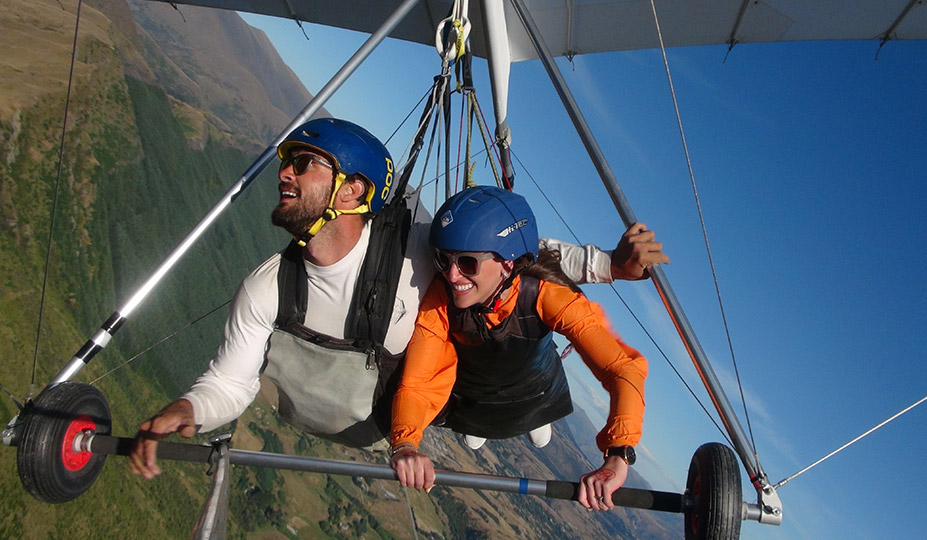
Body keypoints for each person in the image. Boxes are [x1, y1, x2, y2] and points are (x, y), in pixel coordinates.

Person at [129, 117, 667, 480]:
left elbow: (518, 250)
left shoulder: (416, 249)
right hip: (435, 397)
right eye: (286, 162)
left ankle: (519, 412)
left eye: (305, 163)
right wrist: (190, 408)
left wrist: (610, 266)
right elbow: (230, 380)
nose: (285, 173)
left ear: (353, 189)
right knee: (459, 384)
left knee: (513, 364)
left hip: (504, 377)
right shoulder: (270, 285)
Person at [389, 186, 648, 511]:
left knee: (539, 435)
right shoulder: (442, 296)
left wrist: (618, 454)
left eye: (467, 263)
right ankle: (486, 423)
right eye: (444, 258)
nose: (452, 275)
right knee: (474, 436)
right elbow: (419, 381)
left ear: (508, 265)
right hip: (475, 402)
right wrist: (405, 444)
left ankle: (531, 421)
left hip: (537, 398)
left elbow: (621, 367)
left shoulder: (545, 295)